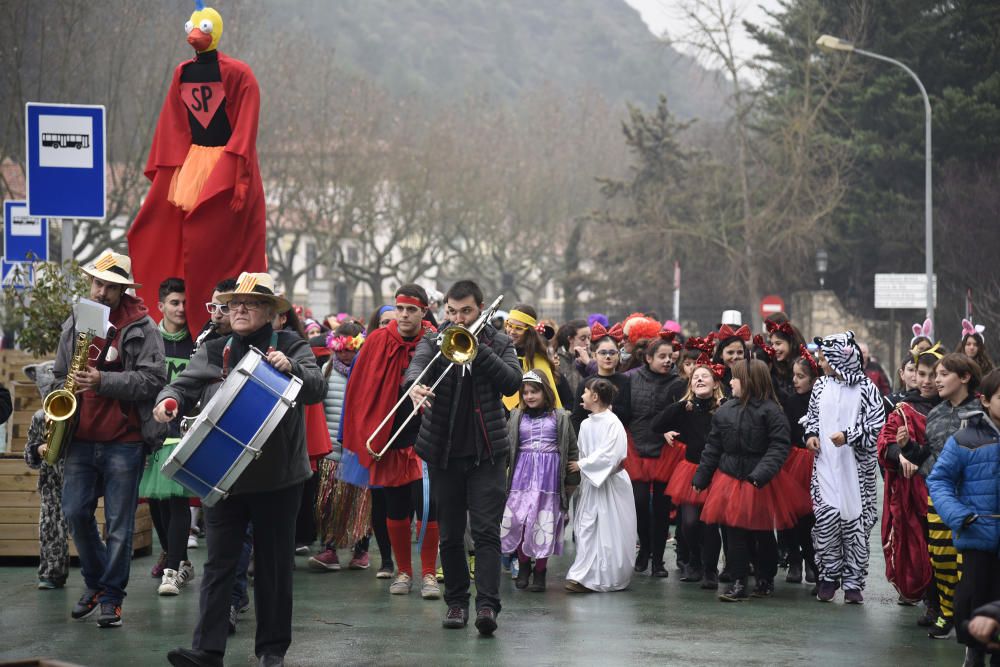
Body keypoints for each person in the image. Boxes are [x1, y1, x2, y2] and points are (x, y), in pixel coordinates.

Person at [160, 272, 325, 667]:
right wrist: (167, 400)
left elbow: (316, 386)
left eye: (250, 304)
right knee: (218, 564)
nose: (240, 310)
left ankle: (271, 651)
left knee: (273, 567)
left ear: (271, 312)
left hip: (279, 478)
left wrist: (294, 369)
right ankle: (207, 650)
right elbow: (181, 387)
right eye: (234, 304)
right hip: (224, 475)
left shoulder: (291, 344)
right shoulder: (215, 349)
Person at [49, 251, 167, 628]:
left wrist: (104, 381)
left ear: (122, 290)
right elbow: (58, 373)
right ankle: (98, 583)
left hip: (124, 439)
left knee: (119, 525)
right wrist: (59, 400)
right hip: (80, 437)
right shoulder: (78, 318)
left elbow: (153, 380)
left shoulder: (142, 326)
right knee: (74, 512)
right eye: (97, 283)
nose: (100, 291)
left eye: (110, 286)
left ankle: (111, 596)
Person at [405, 280, 521, 636]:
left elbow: (512, 383)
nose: (457, 319)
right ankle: (456, 602)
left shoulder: (499, 342)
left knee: (486, 533)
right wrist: (414, 386)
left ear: (481, 309)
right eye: (451, 312)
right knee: (451, 534)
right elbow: (416, 367)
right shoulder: (433, 340)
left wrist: (476, 350)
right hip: (443, 453)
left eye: (465, 311)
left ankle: (487, 606)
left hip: (486, 453)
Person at [341, 284, 442, 600]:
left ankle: (428, 573)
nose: (404, 315)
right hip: (391, 441)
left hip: (427, 441)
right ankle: (403, 571)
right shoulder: (377, 342)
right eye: (400, 309)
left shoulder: (438, 341)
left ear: (423, 311)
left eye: (411, 309)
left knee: (428, 509)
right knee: (396, 510)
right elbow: (361, 390)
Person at [693, 359, 804, 602]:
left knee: (762, 533)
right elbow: (713, 446)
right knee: (734, 534)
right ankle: (738, 580)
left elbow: (779, 446)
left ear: (748, 381)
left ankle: (765, 578)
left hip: (761, 480)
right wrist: (702, 475)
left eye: (735, 377)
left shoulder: (771, 411)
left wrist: (761, 473)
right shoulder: (724, 411)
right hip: (730, 478)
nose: (730, 382)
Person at [803, 332, 886, 604]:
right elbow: (812, 416)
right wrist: (811, 435)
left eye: (824, 357)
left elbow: (876, 426)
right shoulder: (820, 386)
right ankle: (827, 577)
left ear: (840, 358)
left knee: (856, 525)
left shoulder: (866, 389)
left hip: (856, 470)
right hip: (826, 464)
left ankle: (853, 582)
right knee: (826, 522)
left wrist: (849, 436)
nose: (820, 361)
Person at [927, 368, 1000, 667]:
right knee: (973, 597)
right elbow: (939, 480)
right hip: (978, 534)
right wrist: (960, 515)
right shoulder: (965, 439)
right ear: (985, 401)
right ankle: (973, 651)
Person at [140, 278, 196, 597]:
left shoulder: (197, 340)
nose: (181, 309)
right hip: (153, 432)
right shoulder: (150, 339)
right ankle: (179, 558)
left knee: (177, 499)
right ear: (160, 305)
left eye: (186, 303)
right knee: (158, 502)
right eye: (174, 303)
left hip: (185, 433)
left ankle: (173, 569)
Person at [651, 355, 725, 588]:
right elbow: (657, 425)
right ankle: (694, 560)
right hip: (690, 470)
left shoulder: (723, 408)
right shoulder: (685, 409)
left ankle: (710, 569)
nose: (700, 379)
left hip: (716, 471)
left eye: (705, 376)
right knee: (690, 522)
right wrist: (680, 405)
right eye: (695, 377)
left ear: (715, 384)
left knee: (711, 523)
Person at [923, 353, 983, 640]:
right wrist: (908, 450)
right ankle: (947, 614)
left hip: (972, 499)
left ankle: (969, 619)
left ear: (964, 377)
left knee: (968, 566)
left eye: (943, 374)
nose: (936, 380)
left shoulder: (983, 413)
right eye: (936, 374)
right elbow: (929, 456)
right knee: (942, 562)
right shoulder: (934, 414)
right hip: (938, 498)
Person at [503, 371, 579, 593]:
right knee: (520, 522)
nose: (529, 396)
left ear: (545, 392)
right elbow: (508, 447)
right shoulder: (516, 416)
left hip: (549, 479)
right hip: (521, 478)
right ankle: (524, 565)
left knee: (543, 524)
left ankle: (540, 571)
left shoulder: (561, 417)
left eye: (534, 391)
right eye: (525, 392)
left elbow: (571, 449)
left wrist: (571, 481)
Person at [876, 350, 942, 607]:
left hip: (945, 490)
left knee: (943, 550)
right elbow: (886, 440)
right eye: (920, 373)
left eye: (933, 375)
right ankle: (930, 601)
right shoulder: (904, 409)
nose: (925, 380)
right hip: (913, 492)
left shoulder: (954, 406)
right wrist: (899, 454)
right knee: (918, 546)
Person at [564, 377, 636, 593]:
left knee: (608, 529)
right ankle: (583, 574)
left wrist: (582, 465)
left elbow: (611, 455)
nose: (582, 396)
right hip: (592, 484)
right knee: (587, 528)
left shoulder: (613, 423)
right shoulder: (586, 424)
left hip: (610, 485)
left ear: (595, 397)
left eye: (585, 392)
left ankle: (607, 575)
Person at [622, 336, 685, 578]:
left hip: (664, 450)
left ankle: (658, 559)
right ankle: (644, 547)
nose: (668, 360)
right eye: (662, 356)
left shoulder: (678, 383)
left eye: (670, 356)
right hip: (636, 447)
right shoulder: (631, 379)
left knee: (661, 508)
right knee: (638, 503)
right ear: (648, 358)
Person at [309, 321, 369, 574]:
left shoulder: (368, 372)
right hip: (331, 451)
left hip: (360, 453)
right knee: (328, 504)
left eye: (350, 349)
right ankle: (330, 549)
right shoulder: (326, 370)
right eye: (340, 348)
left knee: (360, 505)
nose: (344, 354)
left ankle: (361, 550)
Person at [780, 348, 821, 586]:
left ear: (813, 379)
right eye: (794, 376)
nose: (794, 380)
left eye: (800, 376)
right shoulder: (791, 402)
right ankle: (795, 559)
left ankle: (811, 561)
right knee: (793, 514)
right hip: (794, 460)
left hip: (814, 458)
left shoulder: (820, 401)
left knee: (812, 516)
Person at [502, 304, 562, 410]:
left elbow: (551, 399)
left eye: (518, 328)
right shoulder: (500, 352)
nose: (511, 331)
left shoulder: (539, 360)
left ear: (529, 332)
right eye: (509, 325)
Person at [554, 319, 591, 399]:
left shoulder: (593, 359)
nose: (587, 342)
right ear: (570, 339)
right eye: (583, 338)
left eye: (589, 337)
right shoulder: (556, 358)